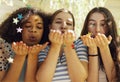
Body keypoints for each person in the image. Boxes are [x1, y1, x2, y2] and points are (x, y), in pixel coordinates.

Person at [36, 8, 88, 82]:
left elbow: (79, 79)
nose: (63, 26)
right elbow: (43, 80)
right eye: (58, 22)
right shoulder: (43, 48)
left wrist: (68, 45)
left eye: (69, 24)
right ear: (50, 27)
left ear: (73, 29)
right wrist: (55, 46)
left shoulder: (79, 44)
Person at [0, 7, 50, 82]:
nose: (33, 30)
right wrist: (20, 56)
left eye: (39, 27)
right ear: (17, 27)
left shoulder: (46, 51)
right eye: (28, 26)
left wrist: (33, 56)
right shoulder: (3, 47)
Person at [80, 7, 120, 82]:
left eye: (102, 24)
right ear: (86, 27)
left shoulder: (118, 45)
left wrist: (104, 48)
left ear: (110, 27)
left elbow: (115, 79)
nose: (97, 29)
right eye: (92, 24)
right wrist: (93, 49)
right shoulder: (80, 46)